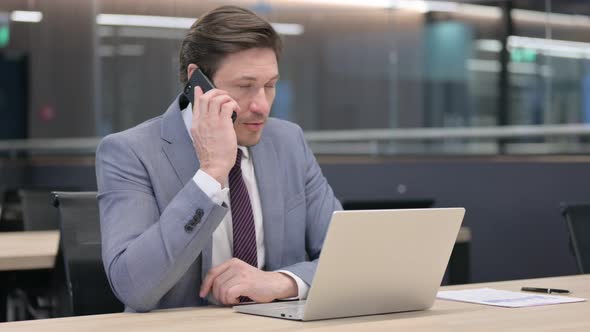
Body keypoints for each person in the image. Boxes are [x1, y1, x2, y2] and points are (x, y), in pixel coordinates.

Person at [95, 5, 341, 312]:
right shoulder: (130, 152)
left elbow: (348, 258)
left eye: (270, 85)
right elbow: (133, 288)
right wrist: (210, 175)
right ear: (198, 82)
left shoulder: (289, 142)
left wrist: (281, 282)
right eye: (245, 86)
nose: (262, 105)